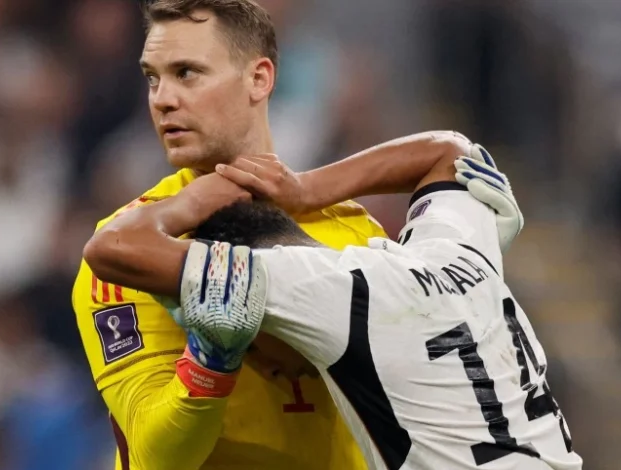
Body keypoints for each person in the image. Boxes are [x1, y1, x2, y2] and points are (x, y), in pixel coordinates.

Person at [74, 0, 474, 468]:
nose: (162, 98)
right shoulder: (129, 256)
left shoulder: (355, 232)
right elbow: (155, 454)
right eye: (152, 78)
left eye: (186, 73)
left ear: (259, 79)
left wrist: (303, 188)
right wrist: (210, 361)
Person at [88, 142, 583, 469]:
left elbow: (115, 247)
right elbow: (452, 153)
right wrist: (305, 189)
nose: (270, 371)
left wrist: (204, 193)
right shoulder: (456, 249)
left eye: (255, 340)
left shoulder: (324, 289)